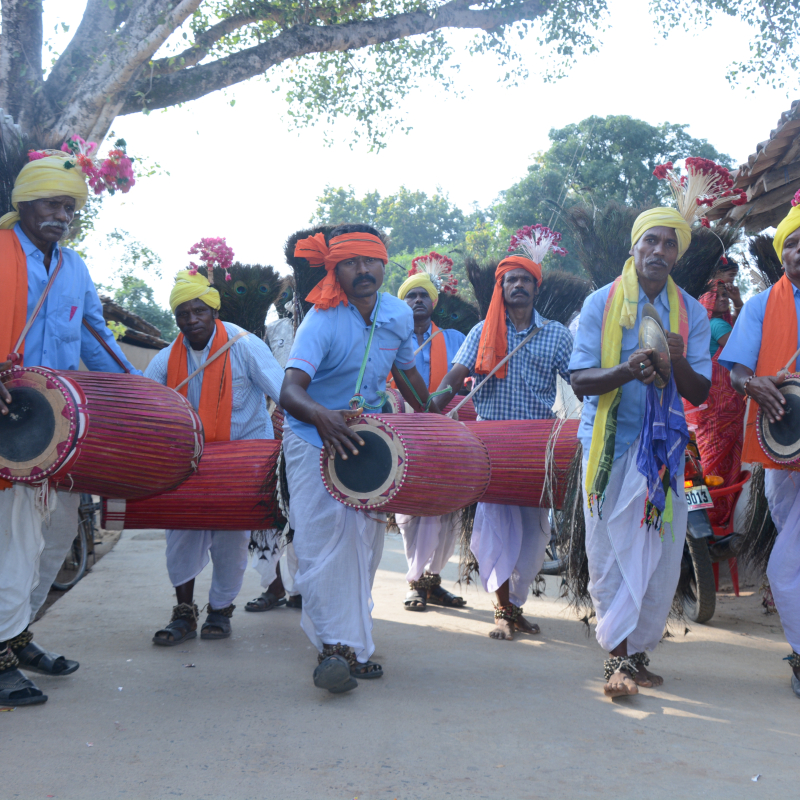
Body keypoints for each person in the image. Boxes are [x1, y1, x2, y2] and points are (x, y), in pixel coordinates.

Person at [0, 147, 139, 706]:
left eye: (68, 206)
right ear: (23, 204)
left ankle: (15, 634)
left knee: (45, 541)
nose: (59, 214)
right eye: (49, 204)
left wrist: (139, 392)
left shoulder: (74, 266)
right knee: (14, 542)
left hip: (56, 426)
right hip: (10, 423)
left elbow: (95, 340)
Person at [279, 223, 432, 694]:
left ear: (385, 265)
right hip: (311, 438)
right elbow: (289, 392)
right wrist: (324, 420)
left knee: (363, 545)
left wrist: (435, 417)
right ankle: (336, 650)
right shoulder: (321, 319)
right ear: (336, 269)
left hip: (368, 441)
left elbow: (406, 376)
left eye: (370, 261)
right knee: (324, 544)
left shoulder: (398, 315)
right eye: (351, 263)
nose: (363, 270)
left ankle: (350, 640)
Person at [570, 208, 711, 698]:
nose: (658, 251)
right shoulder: (599, 304)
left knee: (661, 557)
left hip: (665, 454)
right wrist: (629, 370)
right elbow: (581, 380)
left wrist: (673, 361)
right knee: (609, 554)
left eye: (669, 245)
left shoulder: (692, 311)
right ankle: (616, 661)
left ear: (677, 255)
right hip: (609, 447)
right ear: (634, 247)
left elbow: (700, 392)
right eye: (650, 241)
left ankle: (635, 654)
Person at [434, 241, 574, 641]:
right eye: (510, 279)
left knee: (536, 537)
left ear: (536, 287)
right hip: (491, 442)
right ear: (500, 287)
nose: (517, 285)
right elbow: (452, 377)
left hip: (536, 444)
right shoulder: (482, 331)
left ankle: (515, 604)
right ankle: (501, 610)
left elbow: (578, 382)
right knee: (495, 529)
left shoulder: (557, 335)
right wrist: (430, 409)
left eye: (525, 280)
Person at [145, 271, 284, 646]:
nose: (191, 320)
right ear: (176, 318)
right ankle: (184, 613)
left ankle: (220, 611)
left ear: (213, 312)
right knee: (181, 535)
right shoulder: (165, 358)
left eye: (198, 311)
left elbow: (283, 392)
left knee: (232, 541)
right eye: (183, 313)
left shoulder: (245, 345)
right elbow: (146, 403)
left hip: (243, 462)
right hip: (192, 462)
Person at [719, 189, 800, 699]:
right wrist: (753, 384)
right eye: (795, 243)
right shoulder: (760, 305)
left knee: (785, 565)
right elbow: (736, 372)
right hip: (783, 451)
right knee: (789, 558)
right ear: (783, 251)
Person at [394, 256, 467, 611]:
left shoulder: (454, 338)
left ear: (433, 303)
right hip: (405, 435)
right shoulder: (391, 338)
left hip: (448, 434)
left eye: (424, 296)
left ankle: (433, 581)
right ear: (402, 303)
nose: (418, 301)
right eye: (411, 296)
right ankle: (414, 580)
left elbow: (470, 380)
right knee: (413, 510)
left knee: (447, 509)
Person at [685, 281, 745, 528]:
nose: (722, 299)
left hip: (706, 411)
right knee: (718, 464)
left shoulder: (704, 326)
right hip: (719, 411)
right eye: (716, 295)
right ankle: (714, 518)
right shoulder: (718, 325)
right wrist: (739, 304)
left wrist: (737, 302)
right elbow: (744, 346)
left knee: (710, 460)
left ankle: (707, 518)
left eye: (724, 295)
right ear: (706, 300)